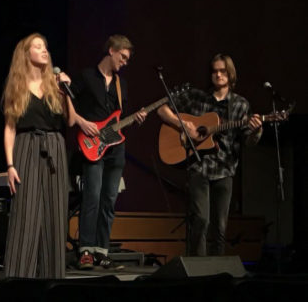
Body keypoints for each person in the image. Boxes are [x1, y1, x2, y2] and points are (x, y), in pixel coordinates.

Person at [157, 54, 263, 256]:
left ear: (230, 74)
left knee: (220, 226)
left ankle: (218, 272)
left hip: (225, 167)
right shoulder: (197, 97)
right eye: (215, 71)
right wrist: (184, 125)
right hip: (199, 166)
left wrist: (257, 130)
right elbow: (162, 110)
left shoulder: (240, 105)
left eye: (223, 71)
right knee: (200, 220)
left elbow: (248, 141)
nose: (218, 74)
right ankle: (198, 269)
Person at [2, 33, 79, 278]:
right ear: (27, 54)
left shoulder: (55, 85)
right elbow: (10, 128)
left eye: (45, 46)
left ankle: (52, 275)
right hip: (26, 146)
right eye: (38, 47)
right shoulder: (18, 86)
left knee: (55, 211)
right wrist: (10, 164)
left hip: (54, 146)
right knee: (26, 210)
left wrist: (65, 91)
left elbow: (70, 120)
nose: (44, 50)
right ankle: (19, 274)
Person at [71, 35, 147, 269]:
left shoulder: (120, 84)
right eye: (122, 57)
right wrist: (80, 121)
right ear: (112, 50)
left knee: (109, 200)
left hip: (116, 148)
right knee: (91, 196)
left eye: (127, 59)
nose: (124, 62)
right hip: (92, 145)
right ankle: (85, 250)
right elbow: (65, 101)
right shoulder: (85, 76)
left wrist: (137, 118)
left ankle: (101, 251)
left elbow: (119, 117)